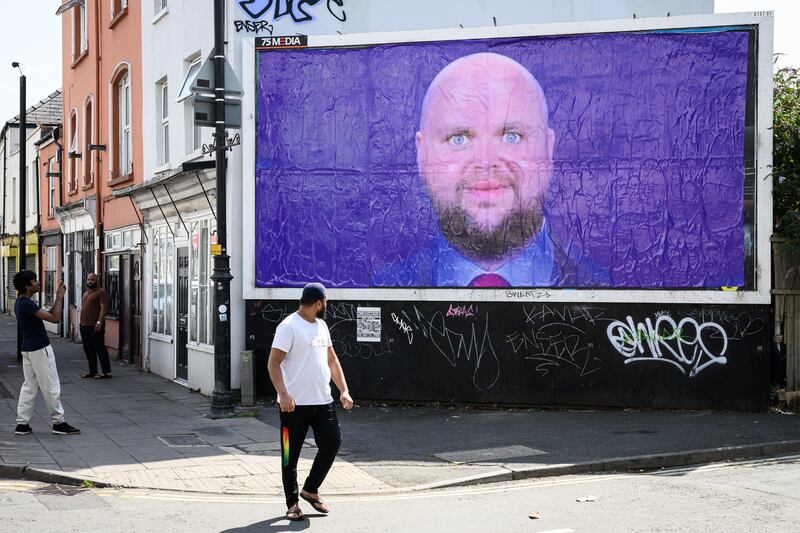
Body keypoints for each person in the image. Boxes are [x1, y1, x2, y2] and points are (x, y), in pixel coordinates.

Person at [372, 52, 608, 287]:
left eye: (511, 137)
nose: (485, 162)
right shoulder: (381, 291)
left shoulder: (605, 289)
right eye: (458, 139)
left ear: (548, 150)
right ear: (422, 156)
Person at [267, 283, 353, 522]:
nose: (327, 306)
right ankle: (292, 503)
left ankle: (310, 489)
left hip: (322, 401)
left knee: (332, 442)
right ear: (318, 303)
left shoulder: (322, 326)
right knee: (289, 455)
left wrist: (343, 390)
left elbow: (332, 360)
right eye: (326, 302)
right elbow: (273, 363)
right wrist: (283, 394)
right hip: (292, 406)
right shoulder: (288, 327)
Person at [13, 270, 80, 436]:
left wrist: (56, 300)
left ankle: (22, 424)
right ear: (27, 286)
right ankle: (58, 422)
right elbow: (55, 318)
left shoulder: (21, 302)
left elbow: (47, 314)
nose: (38, 283)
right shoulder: (27, 304)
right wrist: (59, 297)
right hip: (39, 348)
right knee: (51, 385)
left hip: (28, 348)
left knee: (29, 386)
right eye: (34, 281)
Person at [79, 273, 111, 379]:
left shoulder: (101, 293)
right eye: (88, 279)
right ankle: (92, 371)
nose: (90, 281)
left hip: (95, 326)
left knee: (99, 348)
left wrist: (99, 322)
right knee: (88, 349)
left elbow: (104, 308)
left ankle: (106, 372)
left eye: (92, 279)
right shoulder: (86, 293)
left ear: (97, 280)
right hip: (84, 326)